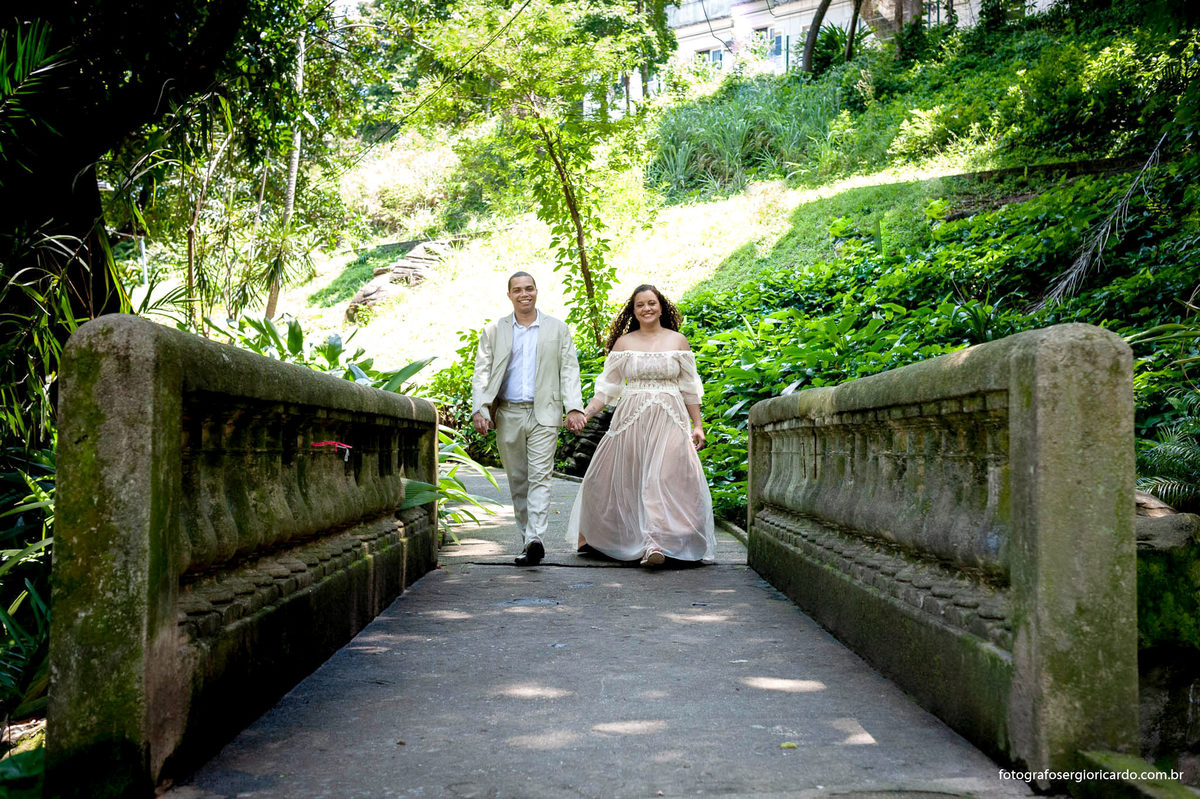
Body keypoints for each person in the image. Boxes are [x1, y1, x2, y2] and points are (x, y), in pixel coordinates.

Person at [567, 285, 716, 566]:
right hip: (631, 419)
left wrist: (698, 425)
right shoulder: (624, 344)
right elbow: (606, 390)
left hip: (670, 417)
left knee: (663, 478)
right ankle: (608, 537)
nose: (647, 309)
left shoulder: (678, 341)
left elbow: (689, 389)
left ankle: (658, 543)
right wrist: (585, 413)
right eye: (640, 305)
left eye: (651, 303)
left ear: (661, 306)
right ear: (633, 311)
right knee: (610, 479)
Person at [472, 272, 586, 566]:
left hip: (544, 413)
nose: (524, 294)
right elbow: (482, 373)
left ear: (537, 291)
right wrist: (480, 409)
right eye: (518, 290)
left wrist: (574, 407)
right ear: (509, 295)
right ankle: (527, 540)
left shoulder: (557, 329)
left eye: (529, 288)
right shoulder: (494, 330)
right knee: (518, 480)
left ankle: (535, 537)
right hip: (508, 412)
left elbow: (569, 370)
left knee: (540, 477)